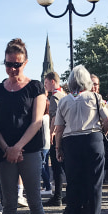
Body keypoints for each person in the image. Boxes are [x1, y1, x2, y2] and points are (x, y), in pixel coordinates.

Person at [0, 38, 47, 214]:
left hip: (29, 150)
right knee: (9, 202)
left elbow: (36, 121)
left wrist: (18, 147)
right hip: (5, 152)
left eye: (17, 65)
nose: (12, 69)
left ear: (26, 62)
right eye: (8, 64)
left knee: (34, 201)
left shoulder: (35, 87)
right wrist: (6, 149)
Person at [53, 65, 108, 214]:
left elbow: (59, 128)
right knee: (95, 181)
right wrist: (102, 132)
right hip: (93, 139)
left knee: (73, 181)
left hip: (71, 142)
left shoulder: (64, 100)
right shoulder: (95, 97)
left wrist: (58, 148)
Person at [43, 71, 65, 206]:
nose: (45, 86)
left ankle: (57, 196)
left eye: (46, 83)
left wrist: (51, 133)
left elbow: (55, 117)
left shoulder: (54, 97)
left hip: (57, 135)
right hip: (67, 135)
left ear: (52, 82)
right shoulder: (66, 95)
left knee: (56, 168)